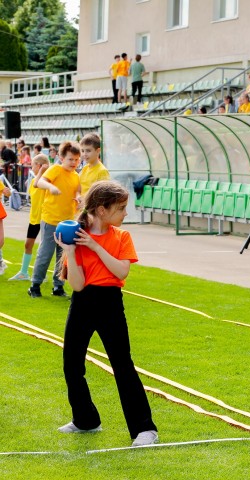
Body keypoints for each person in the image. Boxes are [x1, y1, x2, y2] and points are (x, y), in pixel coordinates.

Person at [54, 180, 158, 446]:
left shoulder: (122, 237)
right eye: (121, 208)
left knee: (122, 365)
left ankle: (144, 429)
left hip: (110, 302)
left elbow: (121, 271)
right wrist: (71, 251)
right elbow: (76, 285)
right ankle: (85, 420)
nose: (126, 214)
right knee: (71, 364)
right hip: (82, 302)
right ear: (102, 210)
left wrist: (95, 246)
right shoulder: (74, 236)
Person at [29, 141, 81, 298]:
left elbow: (77, 191)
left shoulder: (76, 176)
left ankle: (58, 286)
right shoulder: (55, 169)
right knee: (45, 254)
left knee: (63, 256)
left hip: (67, 223)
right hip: (51, 220)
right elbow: (40, 182)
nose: (74, 163)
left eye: (77, 160)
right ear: (61, 157)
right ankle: (35, 285)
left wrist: (79, 198)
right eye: (70, 159)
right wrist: (51, 187)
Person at [79, 133, 110, 198]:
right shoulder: (85, 168)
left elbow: (102, 195)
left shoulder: (102, 171)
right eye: (82, 151)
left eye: (88, 151)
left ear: (98, 151)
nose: (84, 154)